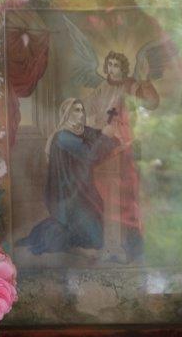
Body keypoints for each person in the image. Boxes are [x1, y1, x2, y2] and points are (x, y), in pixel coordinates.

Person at [19, 97, 121, 256]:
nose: (81, 114)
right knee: (90, 239)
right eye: (76, 110)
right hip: (68, 193)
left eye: (82, 110)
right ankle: (49, 236)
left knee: (96, 240)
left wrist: (107, 133)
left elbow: (96, 136)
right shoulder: (63, 136)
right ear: (67, 114)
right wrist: (106, 137)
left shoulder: (81, 130)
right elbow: (90, 154)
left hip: (82, 190)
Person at [84, 52, 160, 262]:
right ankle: (107, 244)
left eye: (116, 65)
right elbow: (87, 110)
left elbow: (152, 103)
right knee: (101, 194)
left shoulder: (130, 85)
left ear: (123, 68)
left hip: (124, 146)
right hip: (104, 145)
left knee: (126, 197)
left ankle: (130, 247)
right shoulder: (101, 88)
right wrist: (97, 126)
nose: (112, 68)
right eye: (109, 64)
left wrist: (145, 80)